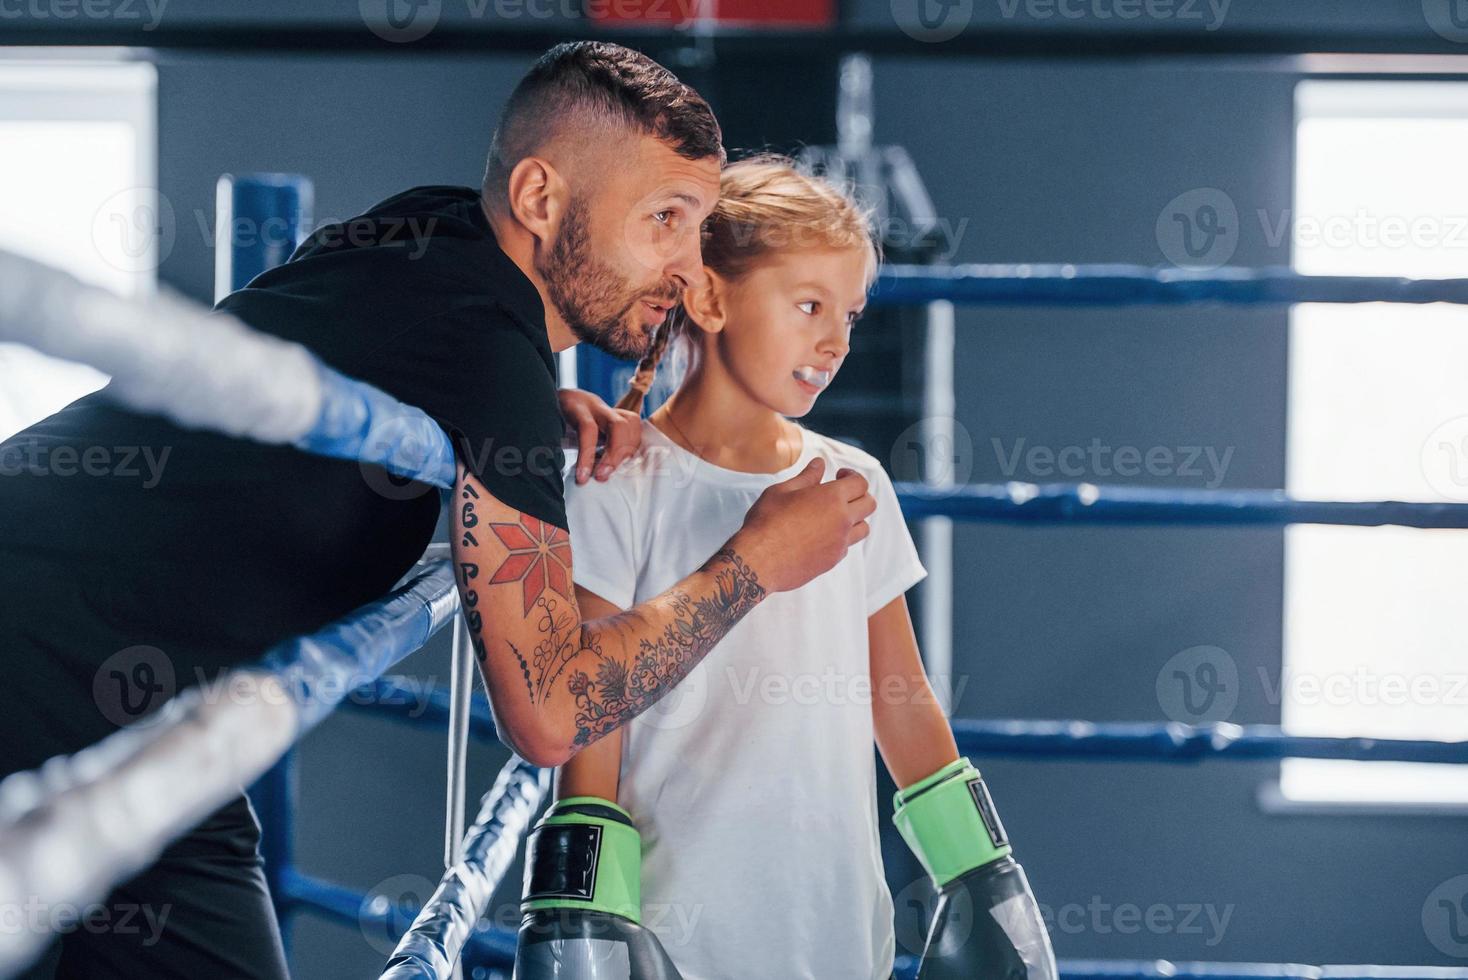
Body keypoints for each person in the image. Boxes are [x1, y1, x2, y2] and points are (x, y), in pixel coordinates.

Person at [0, 44, 873, 979]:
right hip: (50, 654)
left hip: (111, 673)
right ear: (539, 200)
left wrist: (531, 416)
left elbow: (374, 340)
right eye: (663, 218)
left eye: (698, 228)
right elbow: (548, 712)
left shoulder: (433, 229)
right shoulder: (488, 352)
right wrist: (754, 565)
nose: (685, 268)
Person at [513, 157, 1055, 979]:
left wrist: (986, 875)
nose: (835, 339)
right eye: (808, 305)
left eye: (850, 314)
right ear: (709, 298)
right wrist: (582, 917)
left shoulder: (855, 482)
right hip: (676, 936)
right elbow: (594, 723)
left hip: (840, 930)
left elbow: (900, 696)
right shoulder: (617, 483)